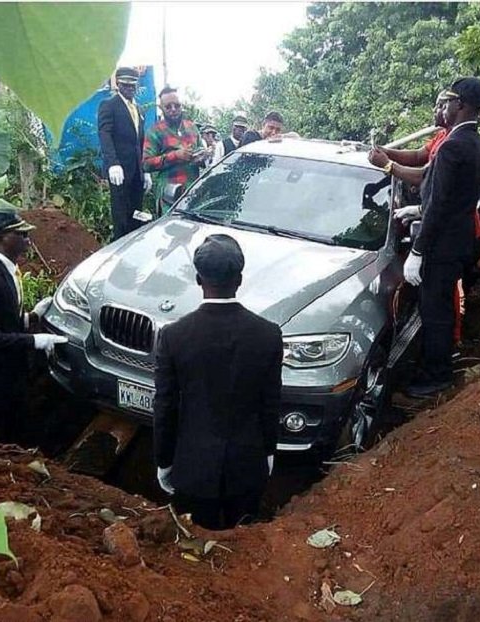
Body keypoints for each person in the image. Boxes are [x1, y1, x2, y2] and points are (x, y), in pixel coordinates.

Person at [154, 234, 283, 530]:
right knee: (243, 547)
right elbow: (270, 403)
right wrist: (268, 452)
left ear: (199, 280)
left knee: (196, 551)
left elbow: (165, 407)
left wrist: (164, 461)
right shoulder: (268, 334)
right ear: (239, 279)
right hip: (248, 466)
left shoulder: (175, 336)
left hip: (192, 470)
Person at [403, 77, 480, 397]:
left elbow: (439, 204)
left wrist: (418, 250)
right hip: (458, 238)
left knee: (435, 310)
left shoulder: (453, 146)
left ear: (461, 105)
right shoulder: (474, 142)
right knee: (441, 308)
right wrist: (417, 209)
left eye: (447, 102)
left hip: (444, 243)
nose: (442, 108)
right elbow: (449, 196)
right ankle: (437, 368)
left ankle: (435, 376)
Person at [0, 206, 67, 441]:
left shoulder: (7, 271)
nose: (27, 239)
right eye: (20, 235)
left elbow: (2, 320)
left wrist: (32, 317)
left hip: (6, 379)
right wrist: (34, 341)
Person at [98, 67, 152, 240]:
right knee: (121, 214)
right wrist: (113, 163)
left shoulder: (138, 108)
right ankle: (120, 247)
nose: (129, 88)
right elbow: (105, 134)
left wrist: (146, 169)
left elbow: (140, 141)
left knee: (136, 212)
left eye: (132, 86)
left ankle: (134, 243)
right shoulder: (109, 105)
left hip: (137, 170)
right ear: (118, 85)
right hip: (119, 170)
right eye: (126, 85)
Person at [368, 90, 450, 187]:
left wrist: (387, 164)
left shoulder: (452, 142)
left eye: (440, 106)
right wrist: (387, 152)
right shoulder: (442, 135)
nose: (434, 110)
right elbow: (417, 156)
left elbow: (424, 176)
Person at [143, 86, 204, 214]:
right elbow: (146, 164)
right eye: (168, 106)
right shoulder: (155, 131)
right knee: (169, 232)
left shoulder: (192, 128)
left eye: (177, 105)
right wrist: (176, 155)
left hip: (193, 194)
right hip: (169, 198)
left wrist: (202, 157)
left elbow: (200, 153)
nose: (173, 109)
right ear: (161, 108)